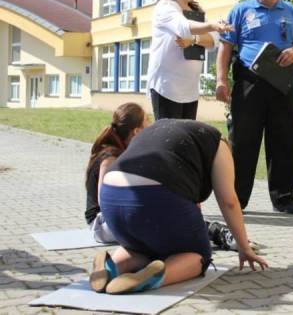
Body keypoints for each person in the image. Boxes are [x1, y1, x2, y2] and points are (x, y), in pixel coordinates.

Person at [89, 119, 268, 295]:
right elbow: (229, 201)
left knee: (141, 249)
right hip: (152, 195)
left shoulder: (162, 128)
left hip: (110, 196)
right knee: (198, 255)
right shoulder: (219, 145)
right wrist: (244, 248)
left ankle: (111, 267)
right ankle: (150, 279)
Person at [215, 0, 293, 214]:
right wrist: (221, 81)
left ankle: (285, 197)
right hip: (249, 80)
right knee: (243, 140)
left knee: (284, 138)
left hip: (282, 81)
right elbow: (225, 48)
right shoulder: (241, 10)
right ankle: (237, 198)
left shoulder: (290, 11)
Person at [147, 0, 232, 121]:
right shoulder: (165, 6)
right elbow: (183, 26)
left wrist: (194, 39)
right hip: (166, 87)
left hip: (190, 89)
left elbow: (214, 40)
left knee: (186, 140)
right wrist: (211, 25)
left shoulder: (196, 12)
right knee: (169, 140)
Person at [84, 102, 148, 243]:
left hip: (110, 220)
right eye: (146, 123)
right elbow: (105, 200)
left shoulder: (119, 151)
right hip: (101, 224)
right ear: (137, 131)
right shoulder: (111, 157)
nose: (149, 128)